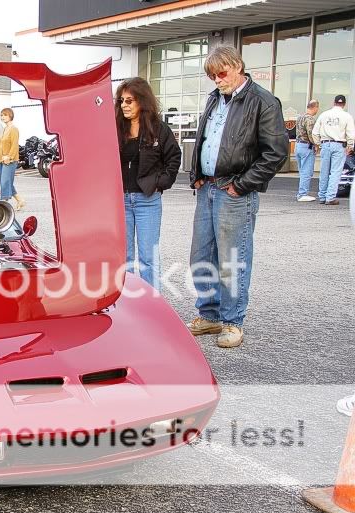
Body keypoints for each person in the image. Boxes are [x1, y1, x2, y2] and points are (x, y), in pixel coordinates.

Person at [188, 45, 288, 348]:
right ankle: (210, 314)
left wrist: (242, 185)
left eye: (222, 72)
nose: (218, 79)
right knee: (201, 255)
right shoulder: (214, 99)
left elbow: (276, 153)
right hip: (208, 187)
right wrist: (198, 175)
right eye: (212, 76)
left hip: (234, 190)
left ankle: (233, 322)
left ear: (237, 65)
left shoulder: (263, 101)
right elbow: (207, 139)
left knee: (233, 259)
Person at [115, 77, 181, 291]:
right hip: (120, 200)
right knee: (124, 256)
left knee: (148, 257)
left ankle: (152, 306)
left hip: (147, 200)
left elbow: (174, 158)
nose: (124, 105)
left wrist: (160, 183)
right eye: (122, 100)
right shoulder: (114, 128)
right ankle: (126, 303)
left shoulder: (158, 129)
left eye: (129, 101)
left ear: (142, 101)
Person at [312, 95, 355, 206]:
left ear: (334, 102)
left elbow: (315, 132)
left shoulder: (324, 115)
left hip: (325, 144)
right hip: (339, 145)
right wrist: (350, 146)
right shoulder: (347, 116)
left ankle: (322, 196)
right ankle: (330, 197)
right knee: (335, 172)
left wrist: (318, 143)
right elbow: (351, 133)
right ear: (344, 104)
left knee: (324, 171)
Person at [0, 108, 25, 211]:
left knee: (5, 182)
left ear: (10, 116)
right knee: (7, 182)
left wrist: (9, 157)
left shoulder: (14, 129)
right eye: (1, 115)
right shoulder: (4, 129)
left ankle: (4, 205)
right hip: (1, 160)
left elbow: (14, 145)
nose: (3, 117)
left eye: (5, 115)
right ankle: (20, 200)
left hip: (10, 160)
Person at [295, 100, 319, 202]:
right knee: (307, 172)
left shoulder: (300, 117)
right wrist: (316, 144)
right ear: (315, 107)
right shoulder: (310, 119)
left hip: (298, 145)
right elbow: (311, 134)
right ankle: (302, 194)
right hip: (307, 147)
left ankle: (301, 193)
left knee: (302, 171)